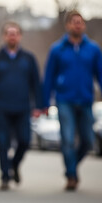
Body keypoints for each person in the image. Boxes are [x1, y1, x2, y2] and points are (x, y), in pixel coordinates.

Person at [43, 10, 102, 191]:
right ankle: (71, 175)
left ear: (83, 25)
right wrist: (45, 103)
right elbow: (48, 77)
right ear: (68, 25)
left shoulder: (92, 49)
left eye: (80, 22)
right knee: (67, 139)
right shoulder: (57, 49)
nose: (78, 25)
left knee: (87, 139)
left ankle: (72, 165)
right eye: (74, 22)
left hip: (85, 99)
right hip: (64, 100)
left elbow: (100, 74)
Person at [0, 22, 42, 191]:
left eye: (15, 33)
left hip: (23, 108)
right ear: (4, 36)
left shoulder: (28, 59)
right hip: (1, 108)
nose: (12, 36)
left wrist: (38, 106)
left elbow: (36, 83)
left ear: (20, 36)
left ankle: (14, 164)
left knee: (25, 140)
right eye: (9, 33)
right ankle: (4, 176)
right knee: (3, 143)